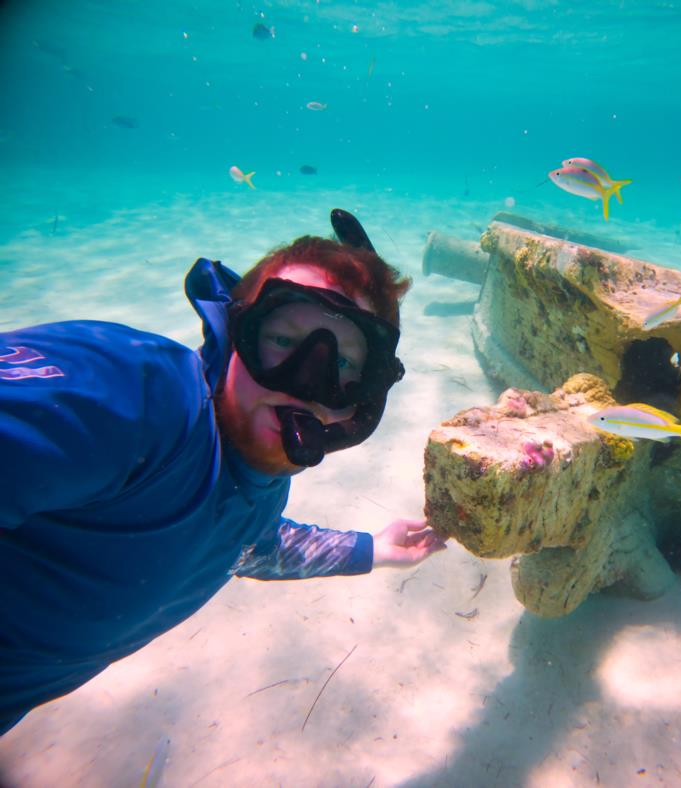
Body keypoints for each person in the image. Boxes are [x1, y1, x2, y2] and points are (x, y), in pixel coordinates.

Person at [0, 209, 446, 734]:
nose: (304, 382)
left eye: (344, 365)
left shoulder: (257, 485)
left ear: (363, 401)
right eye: (282, 340)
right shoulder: (137, 401)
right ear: (237, 334)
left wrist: (372, 549)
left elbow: (243, 544)